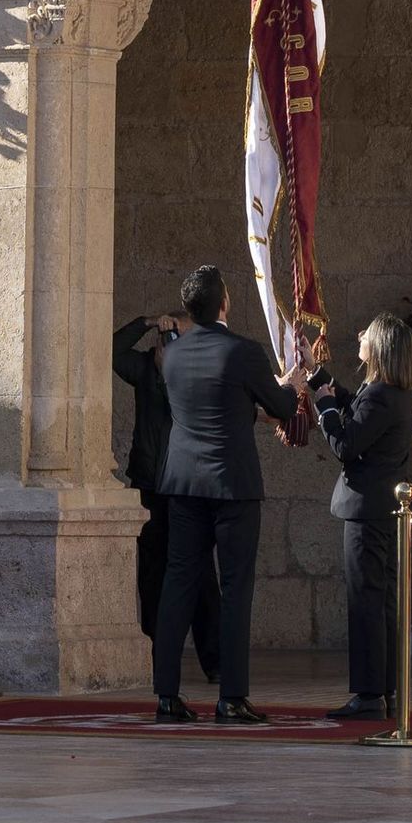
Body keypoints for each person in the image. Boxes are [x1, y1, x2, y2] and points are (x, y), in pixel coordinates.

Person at [150, 263, 304, 725]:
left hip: (182, 483)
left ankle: (166, 697)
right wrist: (293, 387)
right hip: (232, 486)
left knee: (178, 585)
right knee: (236, 589)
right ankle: (231, 697)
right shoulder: (243, 351)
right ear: (224, 303)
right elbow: (278, 407)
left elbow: (210, 403)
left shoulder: (171, 354)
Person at [313, 310, 412, 720]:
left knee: (366, 604)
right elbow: (354, 404)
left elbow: (346, 443)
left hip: (367, 510)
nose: (360, 334)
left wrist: (323, 408)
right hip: (383, 510)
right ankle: (387, 690)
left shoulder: (380, 394)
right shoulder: (393, 392)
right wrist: (315, 374)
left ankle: (368, 694)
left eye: (367, 333)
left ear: (380, 347)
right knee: (384, 603)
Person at [112, 310, 220, 683]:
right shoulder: (143, 370)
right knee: (153, 577)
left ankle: (216, 661)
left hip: (189, 488)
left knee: (202, 576)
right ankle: (157, 659)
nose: (169, 347)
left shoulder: (194, 373)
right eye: (165, 341)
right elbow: (110, 351)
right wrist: (144, 322)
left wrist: (188, 334)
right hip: (151, 485)